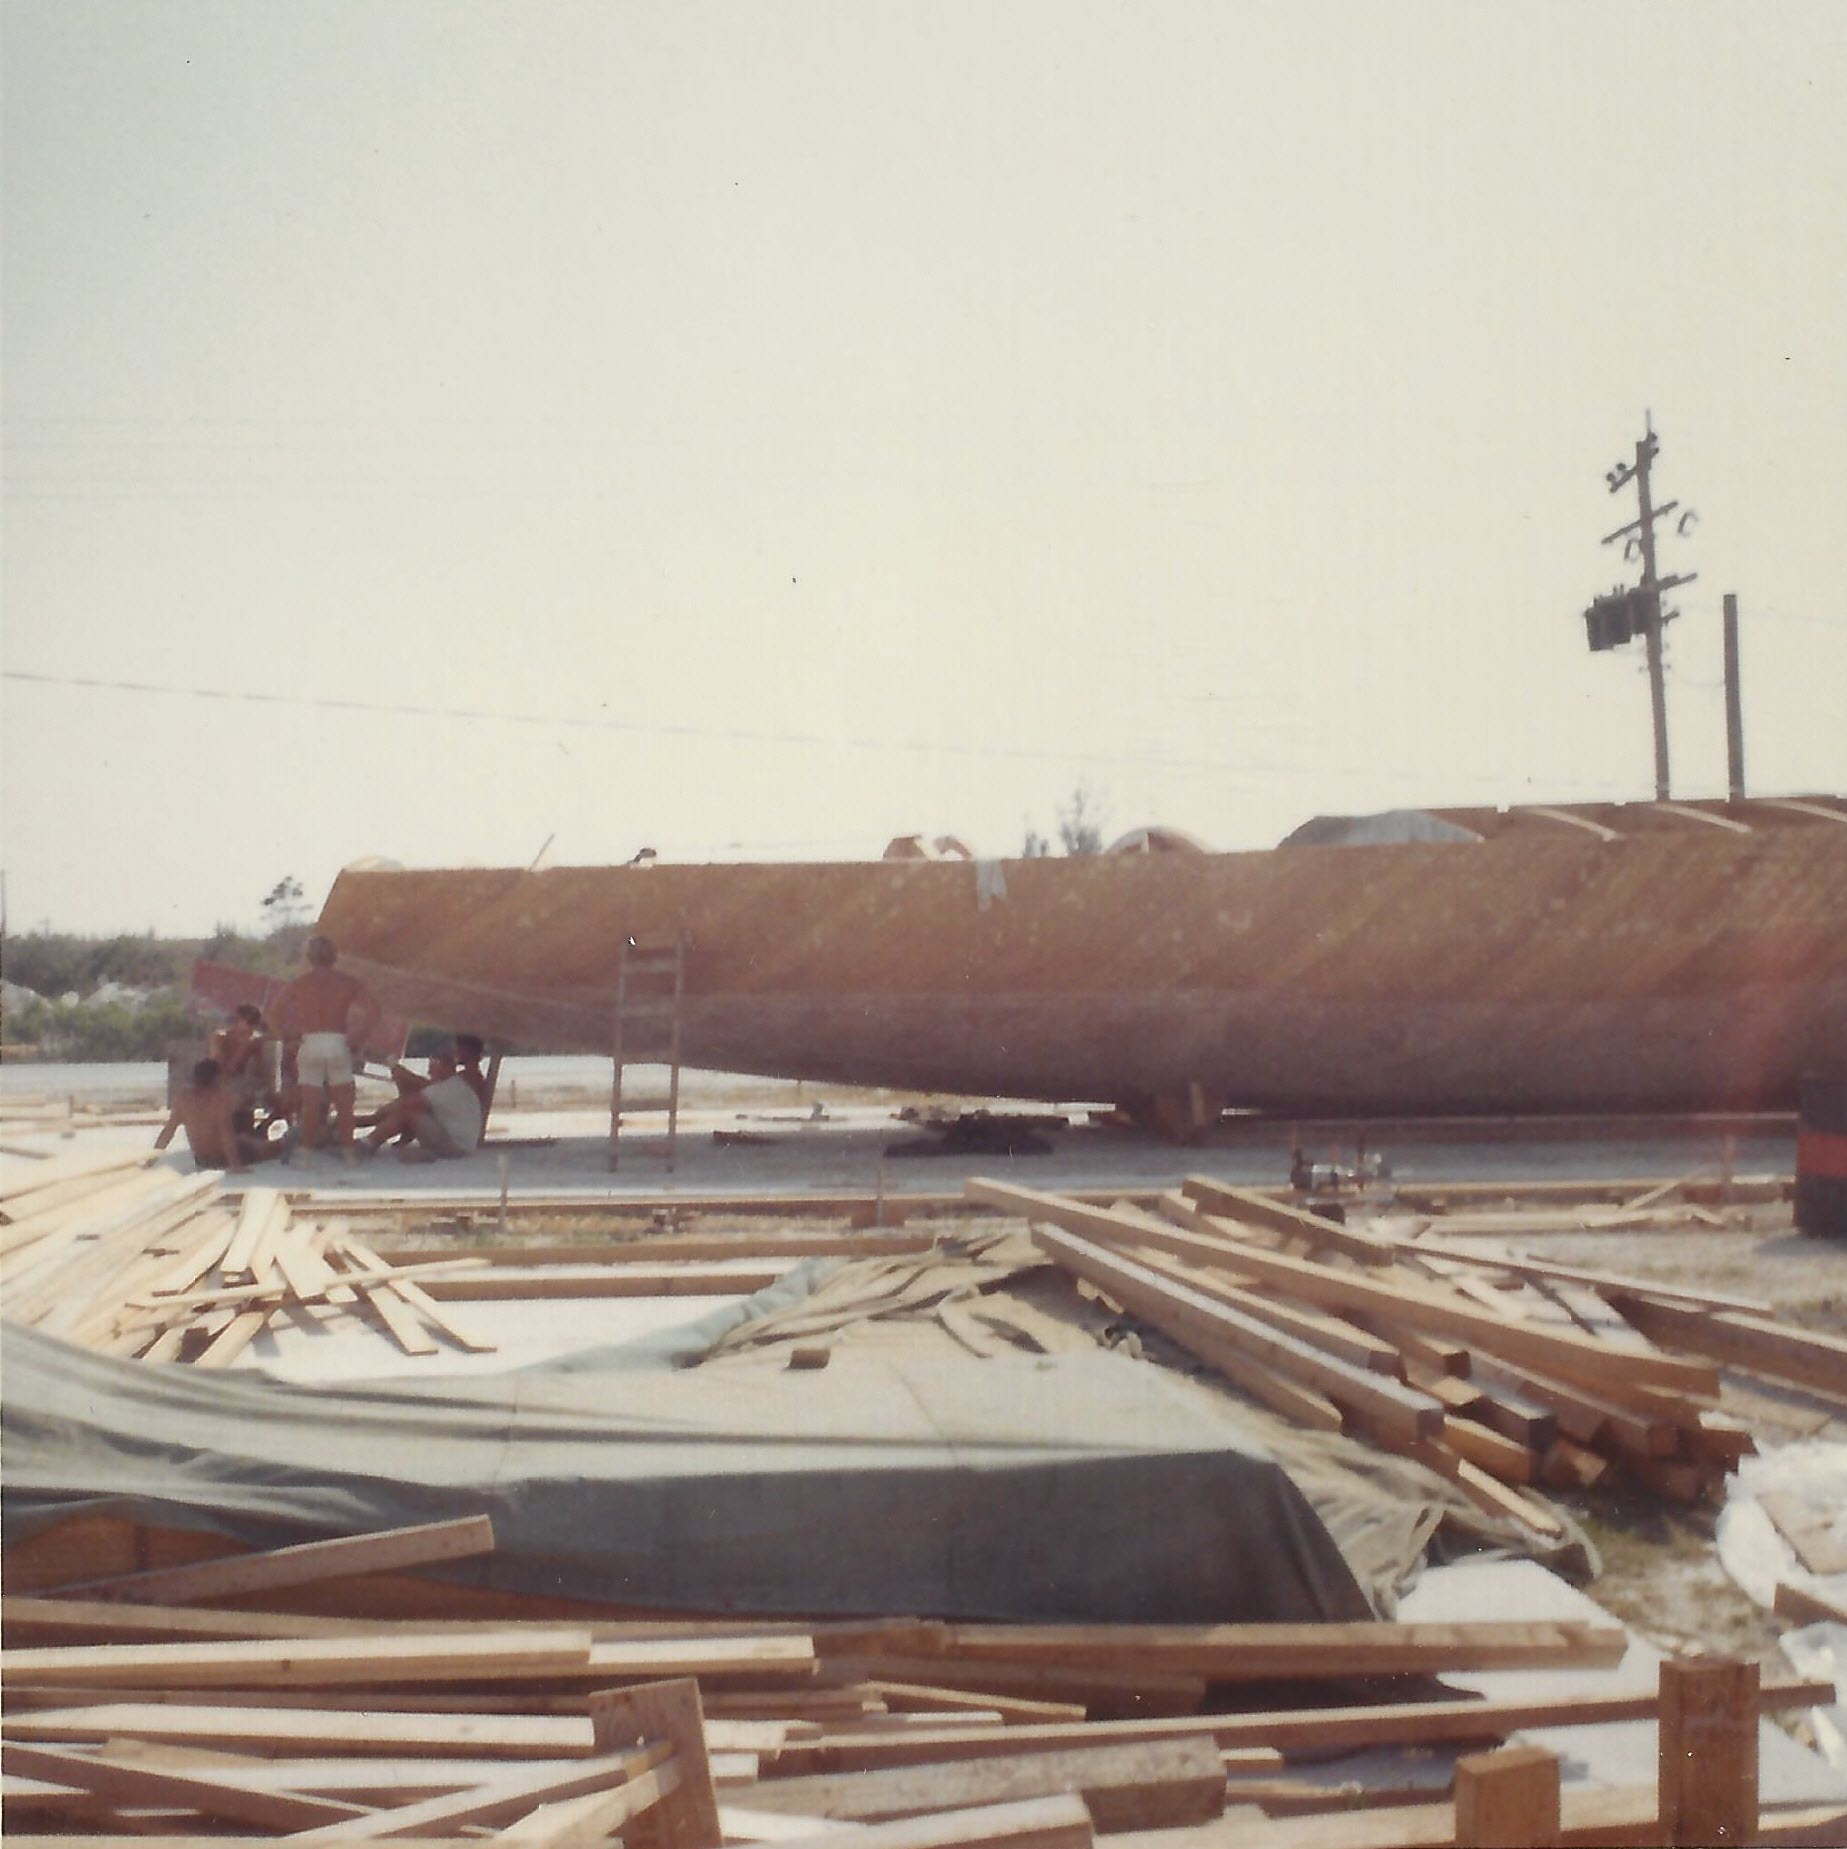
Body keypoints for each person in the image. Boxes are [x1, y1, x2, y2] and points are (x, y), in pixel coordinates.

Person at [270, 935, 381, 1162]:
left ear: (309, 958)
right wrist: (358, 1038)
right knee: (344, 1104)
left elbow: (273, 1015)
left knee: (310, 1104)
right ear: (335, 956)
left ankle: (306, 1154)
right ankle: (349, 1153)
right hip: (337, 1041)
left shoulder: (300, 984)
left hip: (310, 1042)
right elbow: (374, 1011)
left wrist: (287, 1038)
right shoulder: (347, 982)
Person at [154, 1059, 282, 1173]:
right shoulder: (219, 1098)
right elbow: (225, 1132)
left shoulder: (183, 1097)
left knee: (245, 1137)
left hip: (201, 1159)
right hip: (222, 1158)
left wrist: (152, 1158)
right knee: (277, 1146)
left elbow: (169, 1130)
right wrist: (235, 1166)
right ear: (217, 1078)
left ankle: (255, 1137)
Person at [360, 1047, 483, 1162]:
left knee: (407, 1112)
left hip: (456, 1147)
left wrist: (376, 1116)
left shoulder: (444, 1089)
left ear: (446, 1068)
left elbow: (406, 1104)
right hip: (461, 1143)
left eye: (433, 1068)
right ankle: (370, 1142)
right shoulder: (455, 1084)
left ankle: (368, 1143)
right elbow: (416, 1083)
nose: (429, 1071)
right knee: (411, 1110)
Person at [208, 1002, 272, 1131]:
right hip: (221, 1082)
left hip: (242, 1083)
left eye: (256, 1022)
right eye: (250, 1021)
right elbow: (222, 1069)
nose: (253, 1026)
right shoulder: (221, 1038)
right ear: (239, 1020)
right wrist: (243, 1048)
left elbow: (260, 1070)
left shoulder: (255, 1041)